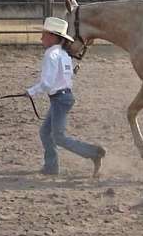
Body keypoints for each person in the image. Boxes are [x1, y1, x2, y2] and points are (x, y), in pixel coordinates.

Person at [26, 17, 106, 177]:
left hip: (60, 99)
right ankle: (51, 167)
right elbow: (66, 76)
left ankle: (93, 153)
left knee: (58, 137)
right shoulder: (63, 54)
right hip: (64, 97)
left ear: (53, 37)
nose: (41, 37)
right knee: (45, 132)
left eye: (44, 34)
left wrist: (31, 92)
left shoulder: (51, 55)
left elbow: (47, 83)